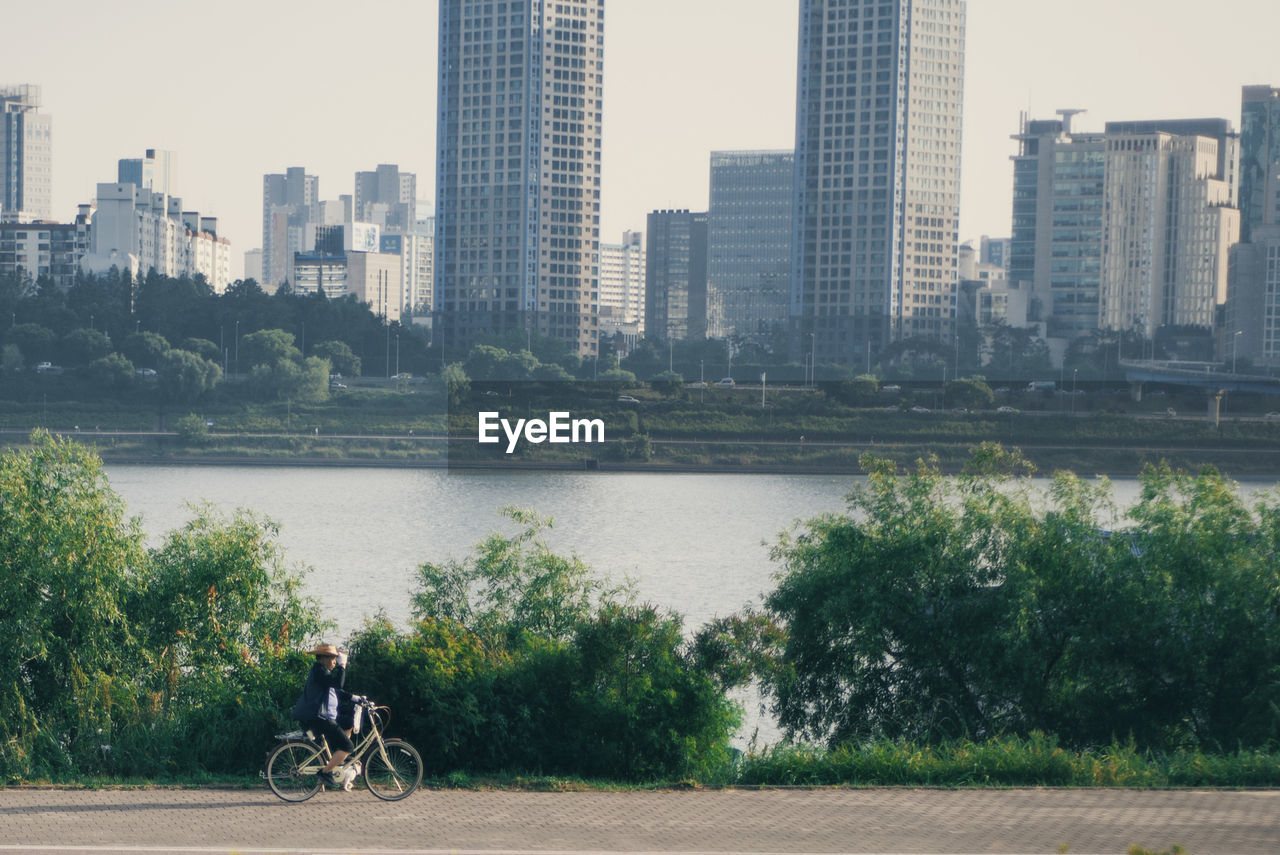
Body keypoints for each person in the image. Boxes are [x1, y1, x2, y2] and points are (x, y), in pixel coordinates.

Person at [291, 643, 354, 788]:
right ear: (323, 658)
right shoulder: (319, 671)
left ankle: (338, 758)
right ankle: (325, 772)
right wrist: (342, 666)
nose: (334, 661)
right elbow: (338, 684)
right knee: (348, 746)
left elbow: (335, 690)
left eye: (335, 659)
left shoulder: (321, 671)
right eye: (332, 659)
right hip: (319, 718)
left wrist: (354, 698)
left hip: (323, 716)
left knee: (348, 722)